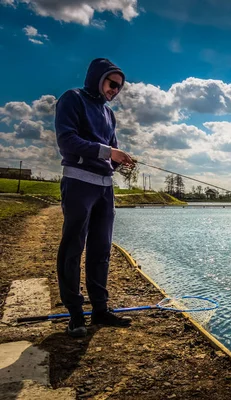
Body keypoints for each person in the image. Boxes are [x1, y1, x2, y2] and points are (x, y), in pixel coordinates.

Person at [55, 58, 135, 337]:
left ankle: (100, 310)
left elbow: (109, 151)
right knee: (72, 248)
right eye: (112, 83)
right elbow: (67, 141)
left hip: (105, 188)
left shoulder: (109, 115)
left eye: (119, 88)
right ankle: (75, 314)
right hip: (78, 183)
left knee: (101, 249)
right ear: (97, 78)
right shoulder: (72, 99)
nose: (115, 90)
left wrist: (118, 160)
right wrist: (108, 152)